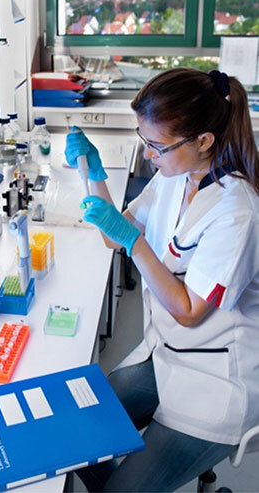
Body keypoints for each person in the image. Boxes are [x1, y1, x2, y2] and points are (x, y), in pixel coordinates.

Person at [64, 67, 259, 491]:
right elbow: (113, 235)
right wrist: (92, 173)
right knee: (71, 435)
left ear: (203, 140)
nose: (148, 154)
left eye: (156, 145)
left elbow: (189, 310)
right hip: (165, 354)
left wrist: (135, 242)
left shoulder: (236, 212)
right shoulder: (176, 174)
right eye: (144, 140)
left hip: (214, 381)